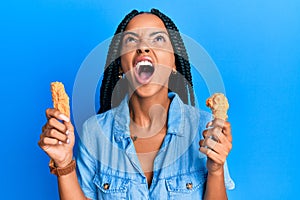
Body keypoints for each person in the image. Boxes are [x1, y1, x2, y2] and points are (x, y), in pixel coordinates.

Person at [38, 8, 234, 200]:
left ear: (174, 63)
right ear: (120, 66)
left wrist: (215, 169)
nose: (143, 47)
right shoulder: (94, 132)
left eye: (158, 39)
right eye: (131, 40)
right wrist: (64, 164)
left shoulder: (205, 129)